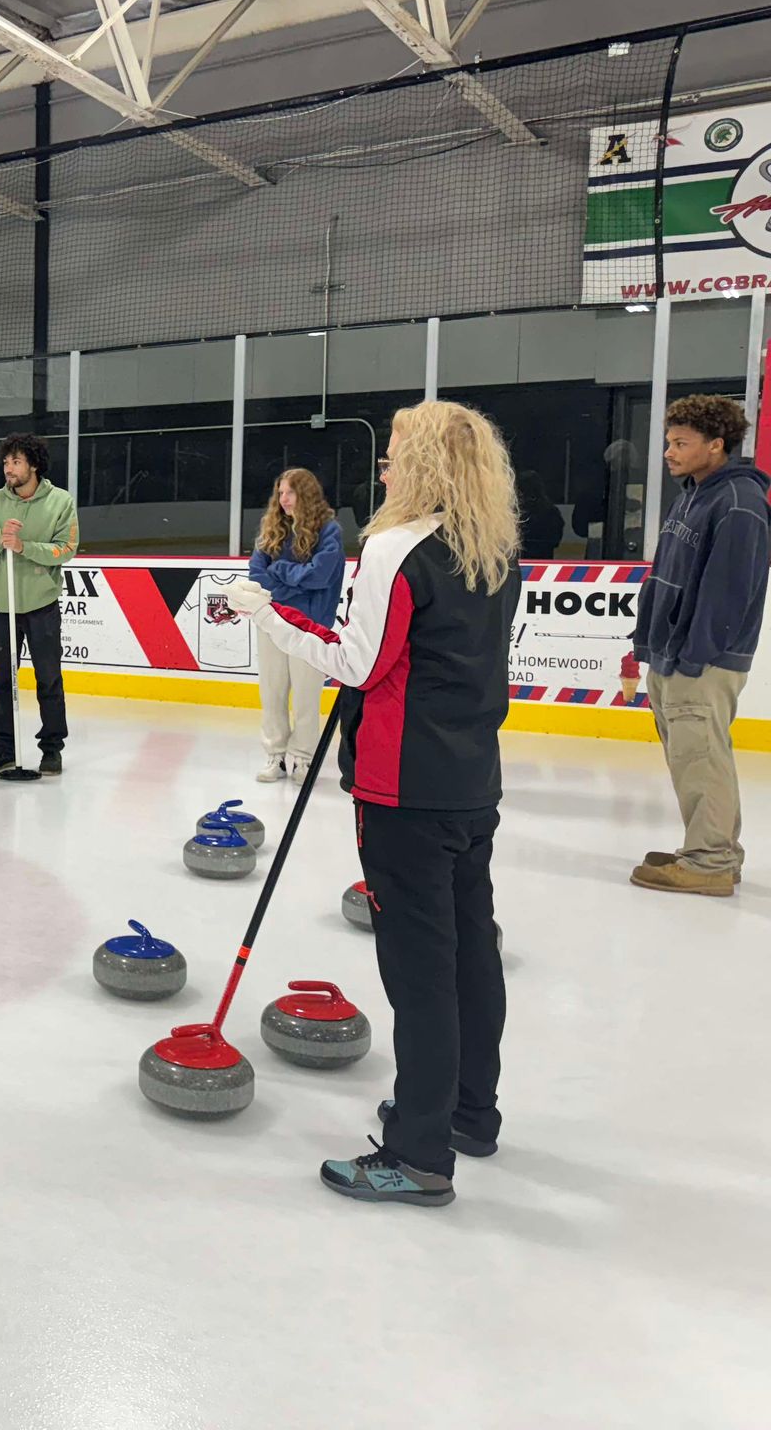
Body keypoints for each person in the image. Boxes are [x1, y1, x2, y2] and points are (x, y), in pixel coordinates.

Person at [230, 400, 521, 1209]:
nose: (384, 470)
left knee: (420, 971)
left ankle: (420, 1152)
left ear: (424, 465)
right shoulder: (493, 543)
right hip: (471, 782)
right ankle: (468, 1111)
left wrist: (269, 613)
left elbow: (356, 663)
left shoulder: (397, 548)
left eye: (393, 457)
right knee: (469, 951)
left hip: (403, 790)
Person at [623, 393, 769, 898]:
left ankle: (708, 860)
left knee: (701, 754)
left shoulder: (738, 503)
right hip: (675, 652)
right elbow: (667, 575)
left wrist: (695, 654)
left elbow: (731, 591)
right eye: (668, 441)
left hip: (699, 658)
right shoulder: (694, 494)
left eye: (681, 443)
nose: (669, 451)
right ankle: (713, 850)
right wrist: (648, 641)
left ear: (716, 445)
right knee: (696, 756)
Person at [0, 433, 78, 775]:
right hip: (1, 604)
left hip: (41, 604)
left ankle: (51, 749)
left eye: (16, 462)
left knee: (48, 679)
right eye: (6, 462)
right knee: (2, 680)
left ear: (33, 465)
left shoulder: (60, 502)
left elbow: (67, 549)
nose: (9, 468)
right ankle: (3, 747)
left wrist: (23, 546)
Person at [247, 468, 345, 784]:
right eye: (280, 493)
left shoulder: (329, 531)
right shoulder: (271, 530)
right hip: (271, 621)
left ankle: (302, 759)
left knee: (306, 697)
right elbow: (257, 576)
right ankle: (276, 756)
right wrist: (293, 580)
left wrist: (280, 571)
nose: (283, 499)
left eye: (289, 492)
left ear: (306, 494)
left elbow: (320, 576)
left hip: (310, 628)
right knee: (272, 693)